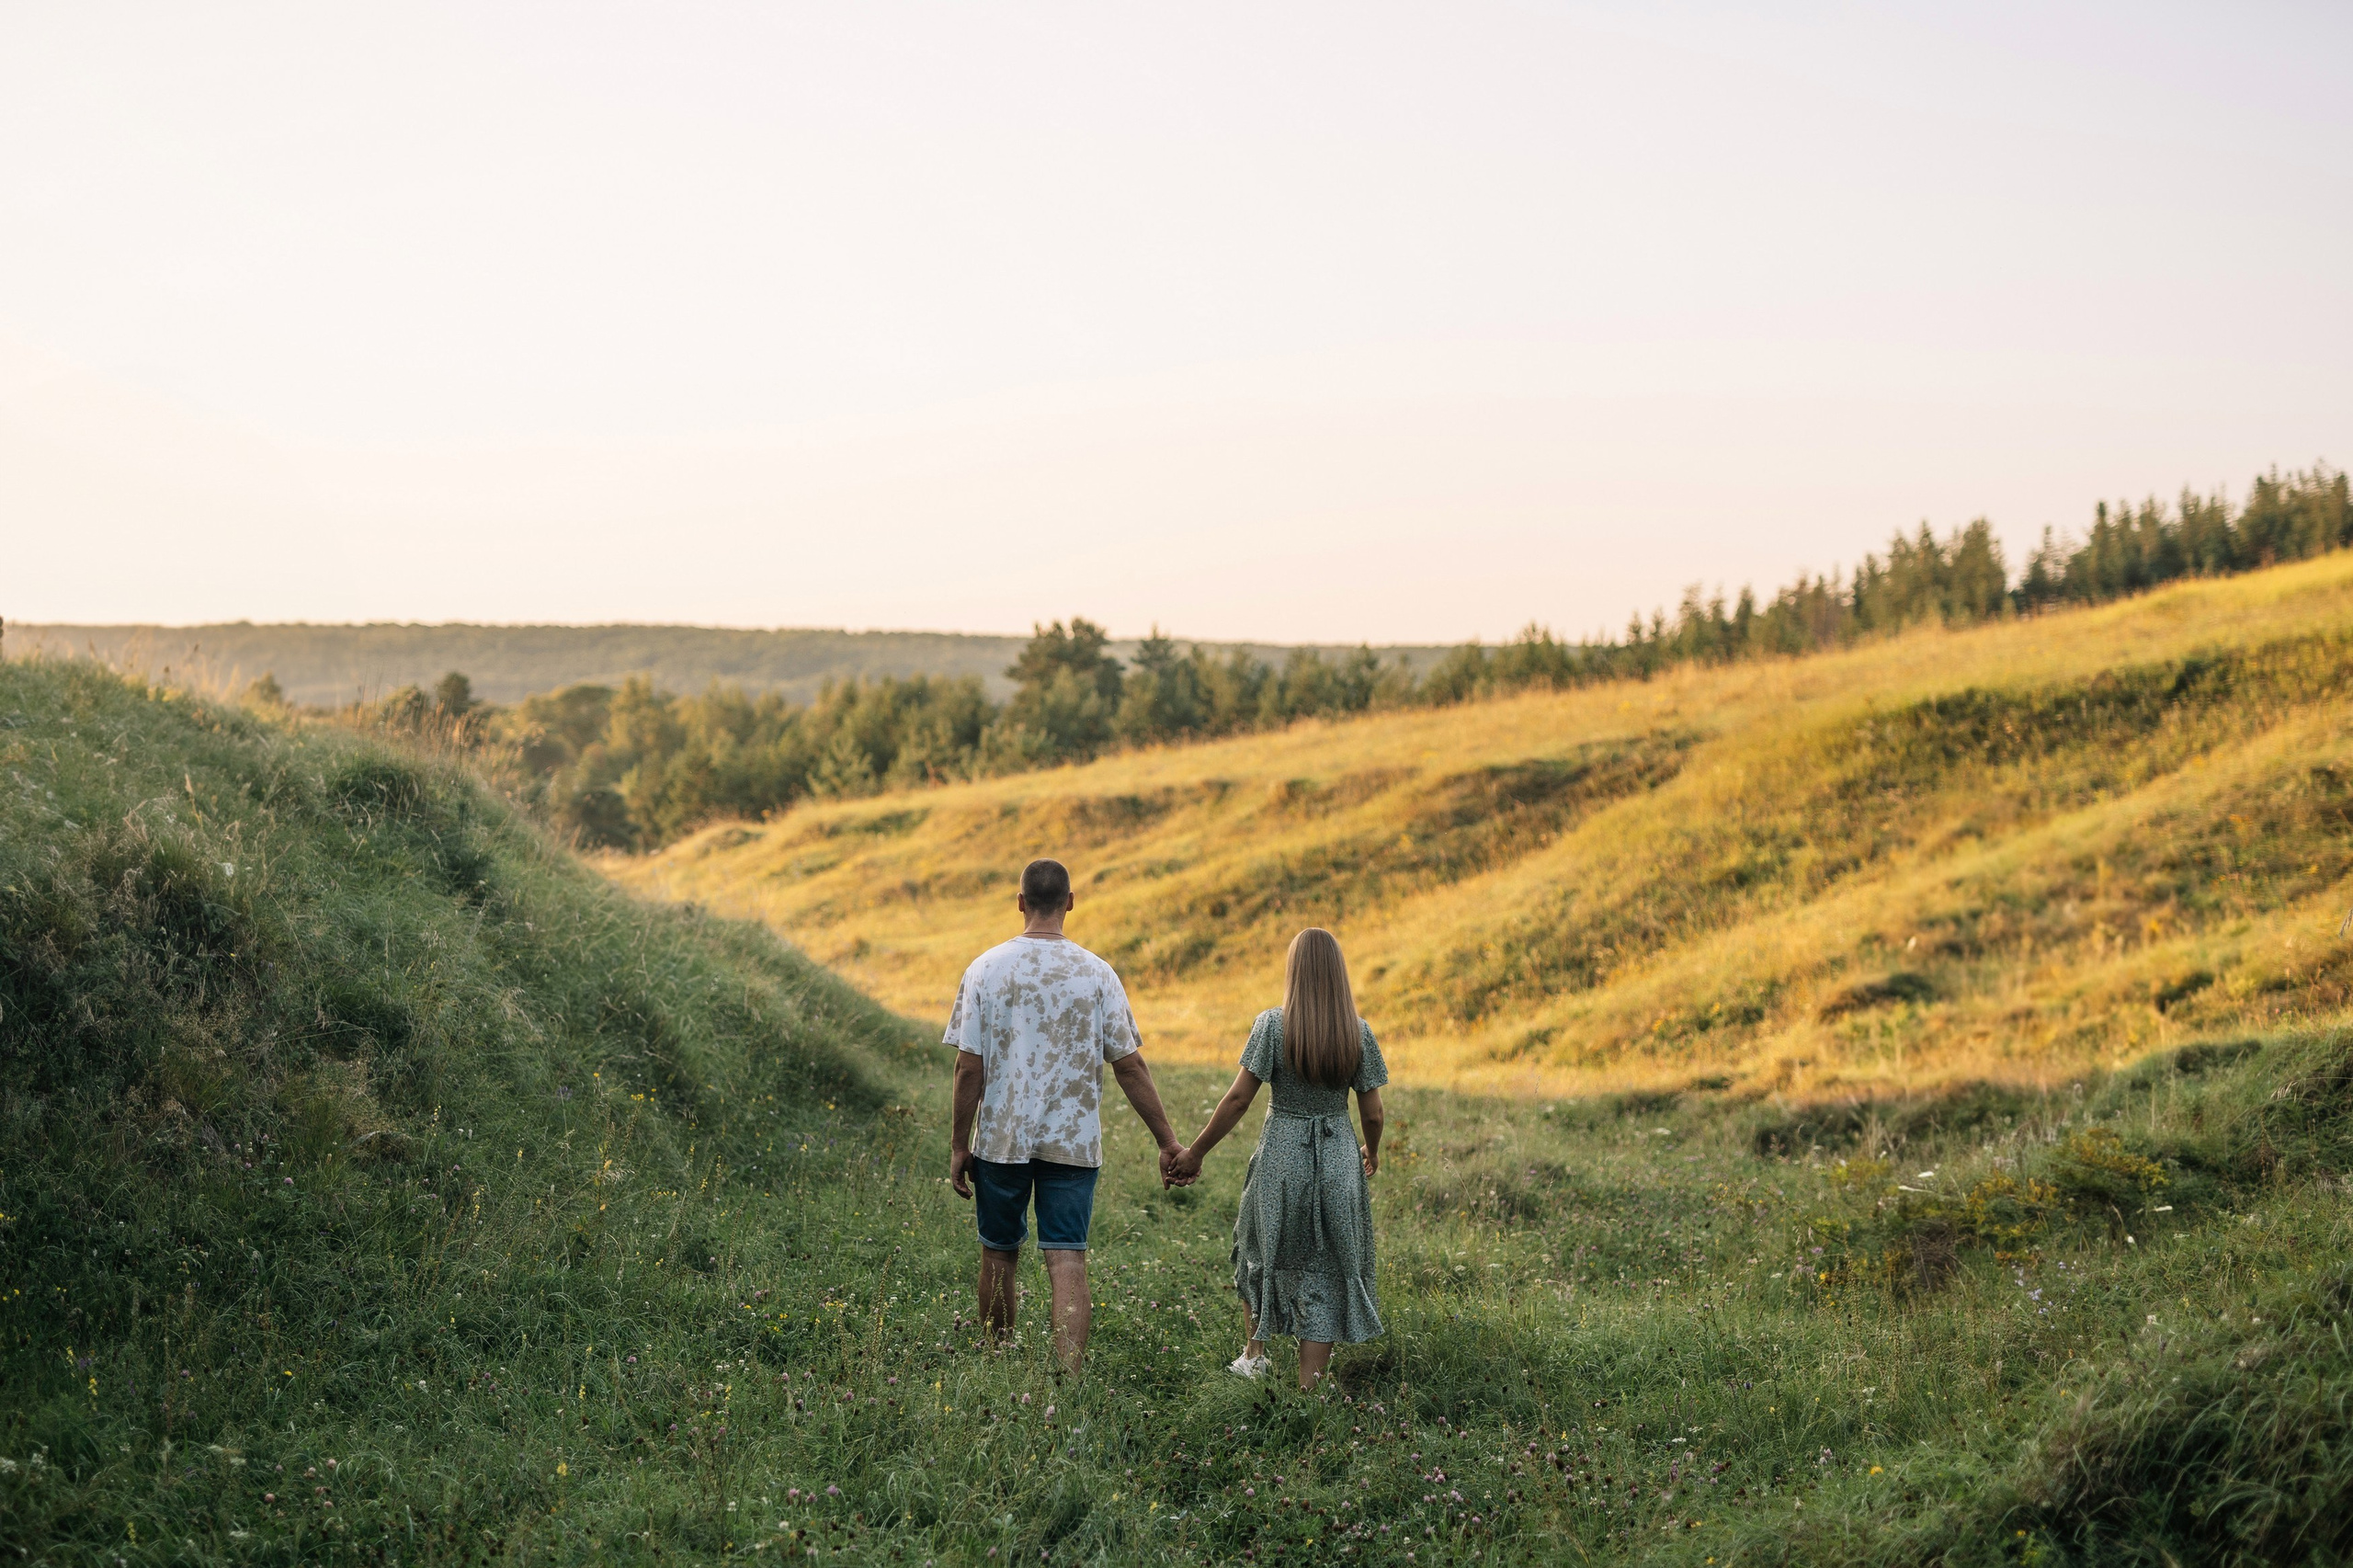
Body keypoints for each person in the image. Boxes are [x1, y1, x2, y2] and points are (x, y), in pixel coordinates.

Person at [946, 857, 1185, 1375]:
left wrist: (959, 1144)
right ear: (1070, 903)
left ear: (1020, 903)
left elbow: (969, 1066)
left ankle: (997, 1364)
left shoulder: (985, 969)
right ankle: (1069, 1379)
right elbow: (1130, 1065)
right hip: (1073, 1144)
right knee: (1068, 1257)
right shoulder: (1097, 974)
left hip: (1001, 1141)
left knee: (998, 1254)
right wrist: (1167, 1141)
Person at [1170, 926, 1387, 1388]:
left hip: (1280, 1157)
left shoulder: (1272, 1025)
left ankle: (1256, 1356)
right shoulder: (1359, 1033)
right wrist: (1372, 1150)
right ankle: (1310, 1386)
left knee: (1260, 1248)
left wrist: (1196, 1152)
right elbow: (1373, 1110)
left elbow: (1236, 1101)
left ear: (1294, 972)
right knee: (1327, 1264)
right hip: (1338, 1158)